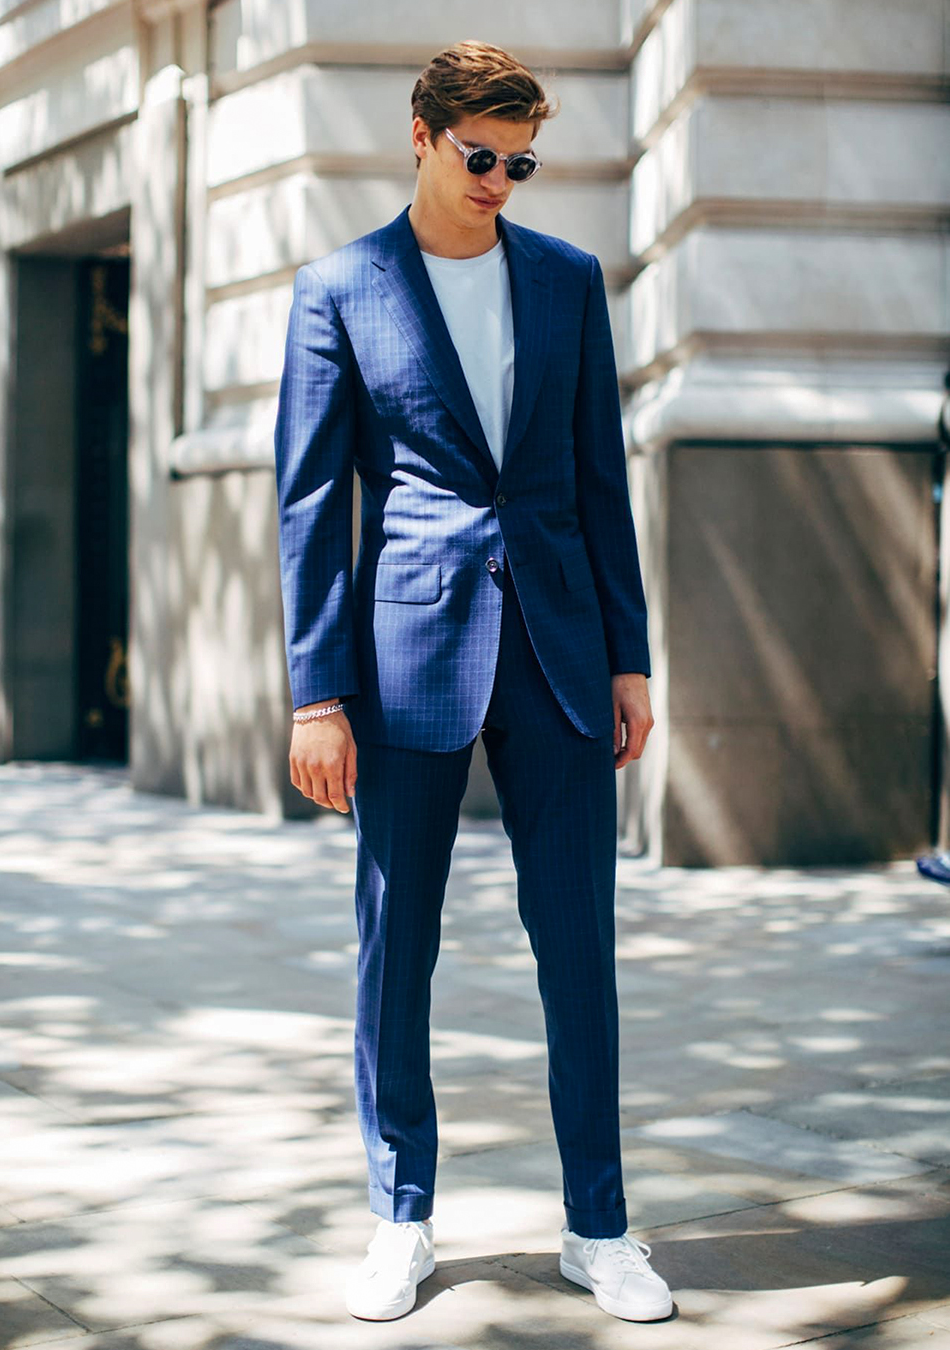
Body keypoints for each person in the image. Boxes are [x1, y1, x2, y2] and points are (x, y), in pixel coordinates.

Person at [273, 38, 673, 1325]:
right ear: (424, 136)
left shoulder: (564, 281)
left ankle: (599, 1227)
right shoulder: (343, 286)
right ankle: (400, 1217)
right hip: (403, 658)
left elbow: (596, 476)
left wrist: (629, 654)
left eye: (522, 159)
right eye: (480, 154)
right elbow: (309, 502)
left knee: (581, 954)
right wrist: (315, 694)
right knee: (398, 951)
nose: (502, 178)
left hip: (558, 652)